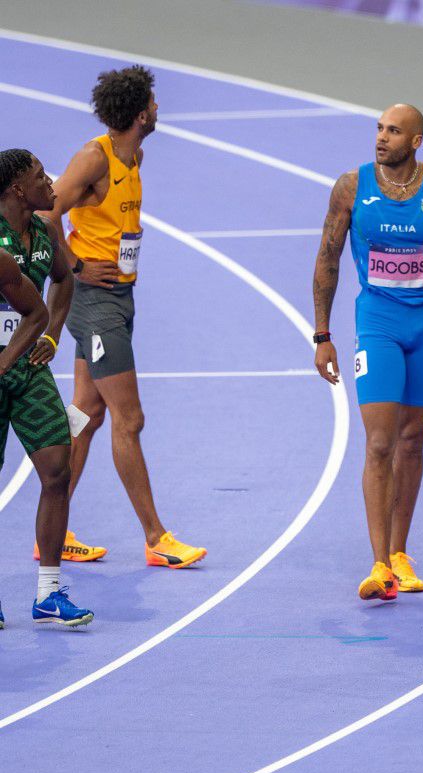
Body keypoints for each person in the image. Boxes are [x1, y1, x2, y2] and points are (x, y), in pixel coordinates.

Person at [311, 103, 423, 601]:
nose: (381, 138)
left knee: (414, 441)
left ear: (416, 141)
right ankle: (378, 563)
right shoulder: (351, 187)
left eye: (393, 131)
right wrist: (322, 335)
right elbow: (327, 259)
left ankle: (399, 551)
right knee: (380, 443)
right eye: (379, 129)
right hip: (379, 325)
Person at [45, 64, 206, 569]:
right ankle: (157, 538)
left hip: (118, 298)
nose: (159, 108)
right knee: (128, 418)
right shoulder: (94, 159)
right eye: (154, 104)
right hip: (95, 303)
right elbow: (44, 213)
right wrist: (73, 264)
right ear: (140, 114)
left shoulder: (131, 155)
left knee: (87, 414)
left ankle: (52, 530)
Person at [0, 149, 93, 627]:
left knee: (58, 468)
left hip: (25, 367)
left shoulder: (43, 233)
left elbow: (63, 280)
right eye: (39, 176)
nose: (50, 181)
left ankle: (48, 594)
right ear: (17, 188)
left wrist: (53, 333)